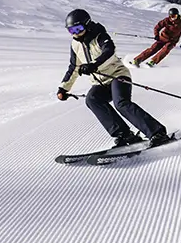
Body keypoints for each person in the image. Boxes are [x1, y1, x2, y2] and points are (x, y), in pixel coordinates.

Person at [57, 8, 172, 148]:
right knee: (92, 99)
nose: (75, 34)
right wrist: (63, 88)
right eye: (71, 31)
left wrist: (94, 65)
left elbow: (109, 51)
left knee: (121, 103)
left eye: (78, 29)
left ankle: (157, 132)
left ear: (87, 25)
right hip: (100, 82)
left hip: (118, 75)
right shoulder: (75, 44)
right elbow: (74, 67)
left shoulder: (100, 35)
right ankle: (124, 134)